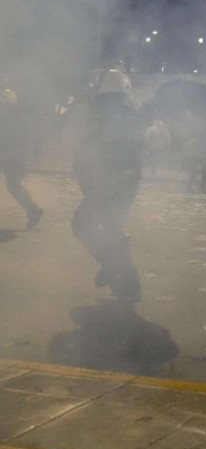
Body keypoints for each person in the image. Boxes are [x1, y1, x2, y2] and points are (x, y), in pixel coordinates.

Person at [69, 69, 144, 301]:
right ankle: (122, 274)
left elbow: (94, 147)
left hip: (108, 180)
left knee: (86, 223)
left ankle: (122, 274)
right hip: (119, 180)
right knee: (111, 226)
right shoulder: (126, 112)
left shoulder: (103, 113)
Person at [0, 88, 43, 228]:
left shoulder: (15, 118)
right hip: (12, 154)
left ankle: (33, 210)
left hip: (9, 154)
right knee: (14, 186)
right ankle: (33, 209)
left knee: (13, 185)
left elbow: (25, 138)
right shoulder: (20, 117)